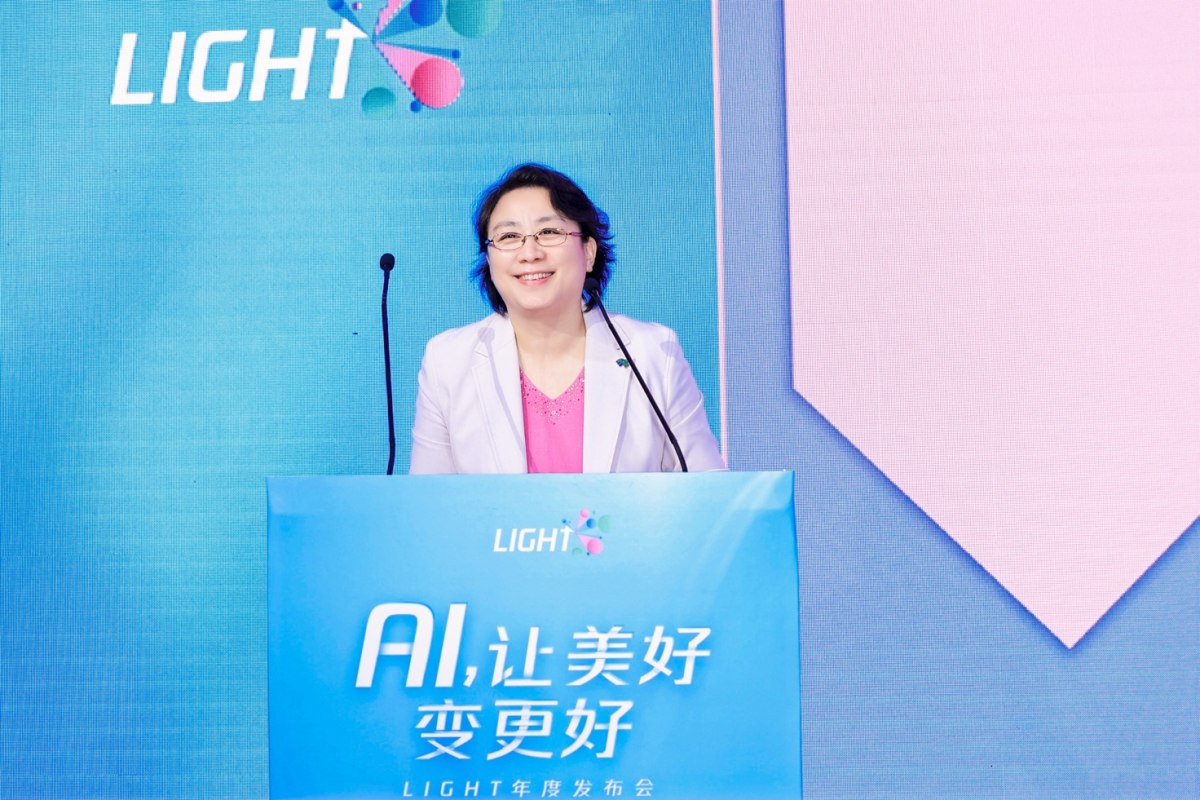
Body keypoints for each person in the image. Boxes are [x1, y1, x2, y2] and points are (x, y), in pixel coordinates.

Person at [409, 163, 724, 474]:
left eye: (549, 232)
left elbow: (707, 490)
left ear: (588, 252)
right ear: (489, 259)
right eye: (509, 236)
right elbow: (428, 500)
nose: (530, 253)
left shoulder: (652, 353)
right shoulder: (448, 361)